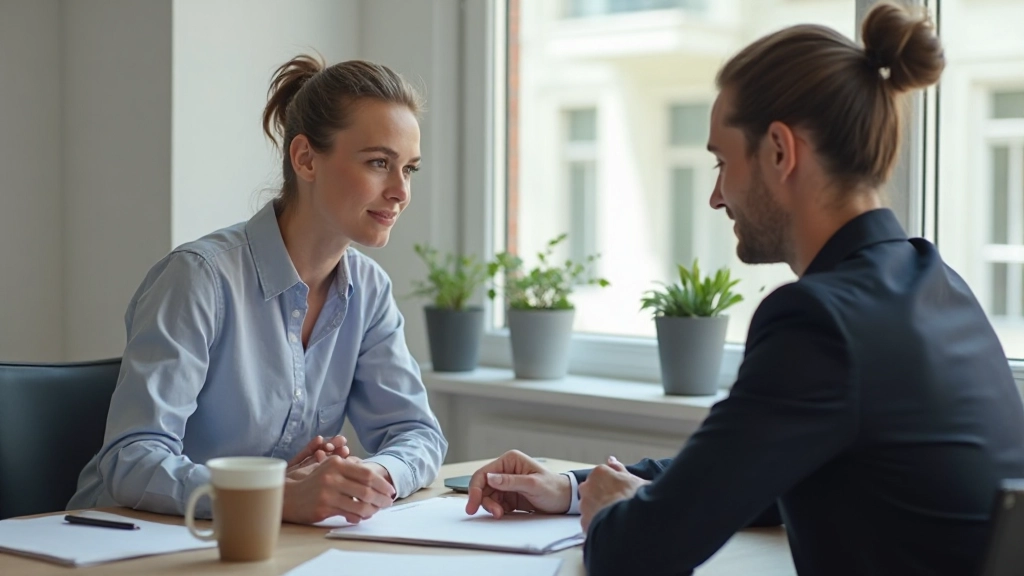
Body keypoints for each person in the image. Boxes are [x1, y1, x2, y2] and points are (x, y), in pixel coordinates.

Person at [465, 3, 1024, 575]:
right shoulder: (937, 285)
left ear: (780, 151)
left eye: (721, 162)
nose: (715, 196)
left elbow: (635, 556)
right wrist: (575, 488)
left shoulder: (819, 321)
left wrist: (609, 514)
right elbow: (751, 474)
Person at [68, 55, 447, 526]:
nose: (400, 191)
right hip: (121, 542)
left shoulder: (368, 291)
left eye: (409, 169)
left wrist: (365, 476)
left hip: (256, 544)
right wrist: (273, 496)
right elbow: (131, 460)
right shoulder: (199, 278)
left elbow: (417, 434)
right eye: (378, 163)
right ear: (306, 158)